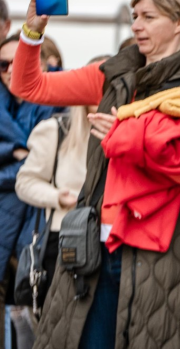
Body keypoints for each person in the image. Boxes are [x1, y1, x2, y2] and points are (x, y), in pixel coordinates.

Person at [11, 0, 180, 349]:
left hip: (165, 257)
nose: (136, 26)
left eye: (148, 17)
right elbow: (29, 86)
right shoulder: (113, 76)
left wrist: (130, 140)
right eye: (134, 16)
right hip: (96, 250)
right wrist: (31, 32)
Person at [14, 53, 94, 309]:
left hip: (113, 244)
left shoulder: (132, 133)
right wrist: (57, 197)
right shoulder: (57, 130)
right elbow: (25, 181)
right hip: (65, 241)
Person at [1, 33, 56, 348]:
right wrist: (27, 159)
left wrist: (14, 155)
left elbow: (48, 169)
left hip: (37, 231)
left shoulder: (57, 107)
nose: (10, 69)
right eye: (3, 63)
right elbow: (35, 169)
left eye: (19, 61)